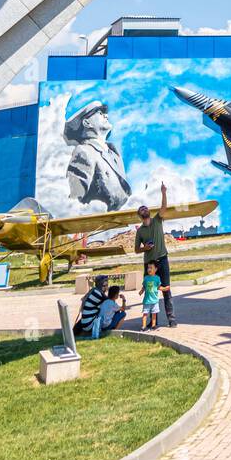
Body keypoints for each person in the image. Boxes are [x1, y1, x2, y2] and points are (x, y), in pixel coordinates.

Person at [63, 88, 132, 210]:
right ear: (87, 123)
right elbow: (76, 199)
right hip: (101, 225)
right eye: (99, 113)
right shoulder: (84, 152)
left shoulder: (114, 155)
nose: (106, 115)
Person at [134, 182, 176, 326]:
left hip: (162, 260)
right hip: (149, 264)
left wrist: (163, 192)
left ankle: (172, 320)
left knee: (166, 289)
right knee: (150, 292)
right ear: (140, 215)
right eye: (142, 209)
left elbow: (163, 207)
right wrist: (144, 248)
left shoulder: (158, 219)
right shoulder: (140, 231)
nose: (144, 209)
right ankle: (153, 322)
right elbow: (136, 250)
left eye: (145, 208)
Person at [140, 263, 162, 330]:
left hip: (155, 300)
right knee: (145, 313)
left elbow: (159, 287)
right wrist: (141, 291)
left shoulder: (157, 278)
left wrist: (164, 288)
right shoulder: (146, 278)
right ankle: (143, 326)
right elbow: (144, 286)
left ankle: (153, 325)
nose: (149, 269)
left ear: (155, 269)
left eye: (151, 268)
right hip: (147, 300)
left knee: (154, 313)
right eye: (148, 268)